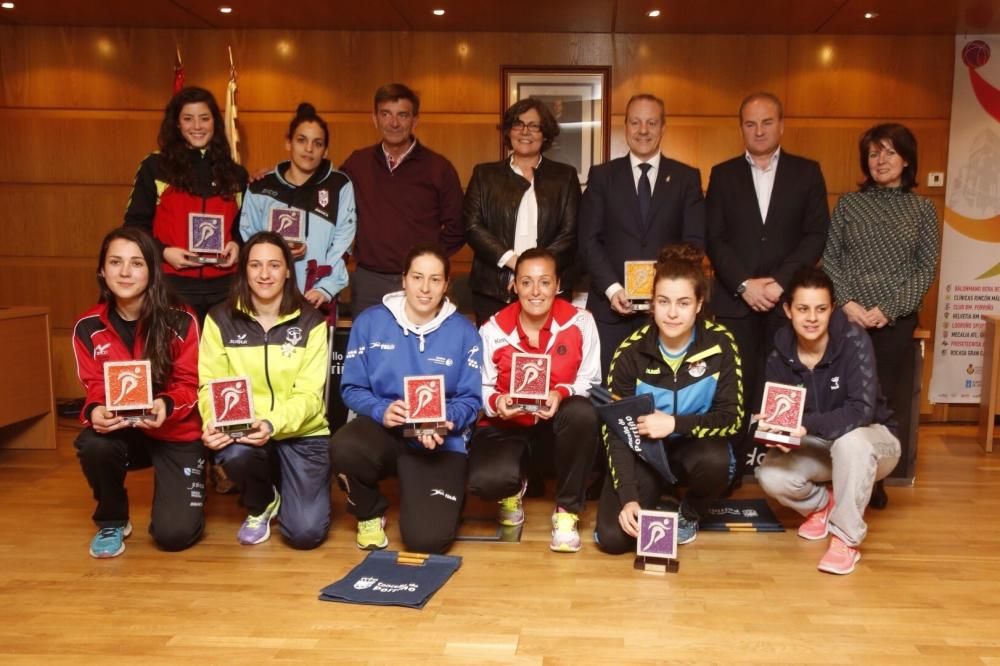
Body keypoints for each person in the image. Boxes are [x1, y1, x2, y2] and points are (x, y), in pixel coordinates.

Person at [705, 91, 829, 483]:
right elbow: (715, 238)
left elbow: (815, 235)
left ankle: (778, 470)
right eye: (750, 123)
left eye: (766, 122)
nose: (758, 130)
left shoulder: (807, 172)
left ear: (781, 124)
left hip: (784, 303)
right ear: (740, 127)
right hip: (734, 301)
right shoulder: (722, 174)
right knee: (734, 387)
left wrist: (779, 283)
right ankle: (733, 468)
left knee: (782, 385)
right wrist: (744, 284)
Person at [330, 244, 482, 554]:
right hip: (385, 432)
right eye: (417, 277)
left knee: (427, 541)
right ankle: (369, 512)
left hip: (438, 441)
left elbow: (471, 400)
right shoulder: (370, 322)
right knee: (344, 445)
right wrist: (381, 409)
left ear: (447, 285)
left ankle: (445, 492)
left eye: (435, 280)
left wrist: (442, 422)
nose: (425, 288)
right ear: (404, 279)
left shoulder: (465, 332)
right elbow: (352, 389)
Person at [595, 244, 743, 552]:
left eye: (683, 302)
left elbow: (731, 419)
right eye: (663, 302)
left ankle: (688, 511)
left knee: (718, 461)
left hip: (694, 448)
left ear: (699, 304)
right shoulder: (630, 351)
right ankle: (655, 496)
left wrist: (674, 423)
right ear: (652, 304)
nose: (673, 313)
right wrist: (629, 498)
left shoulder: (721, 343)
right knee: (613, 540)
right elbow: (616, 432)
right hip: (645, 454)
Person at [755, 267, 900, 575]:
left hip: (874, 444)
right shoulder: (779, 353)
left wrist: (805, 425)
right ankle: (823, 505)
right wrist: (772, 428)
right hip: (822, 447)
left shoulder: (853, 340)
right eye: (803, 309)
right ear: (788, 310)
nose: (812, 318)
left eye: (821, 309)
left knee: (852, 442)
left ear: (832, 308)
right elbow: (784, 421)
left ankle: (845, 539)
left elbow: (862, 412)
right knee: (770, 475)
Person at [822, 123, 940, 499]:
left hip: (894, 321)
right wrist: (849, 303)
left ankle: (875, 479)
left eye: (890, 152)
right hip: (849, 316)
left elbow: (926, 268)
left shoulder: (922, 210)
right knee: (845, 396)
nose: (881, 160)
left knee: (882, 399)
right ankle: (842, 472)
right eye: (874, 153)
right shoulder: (849, 204)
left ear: (907, 159)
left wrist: (888, 309)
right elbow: (831, 259)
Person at [72, 227, 204, 558]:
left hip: (174, 430)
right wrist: (96, 411)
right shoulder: (87, 326)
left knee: (174, 536)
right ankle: (112, 519)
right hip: (123, 431)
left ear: (152, 271)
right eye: (116, 262)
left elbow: (191, 384)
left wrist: (166, 404)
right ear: (102, 270)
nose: (126, 272)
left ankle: (198, 478)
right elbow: (94, 387)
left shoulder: (182, 319)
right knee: (93, 443)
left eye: (137, 263)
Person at [198, 232, 331, 549]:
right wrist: (213, 420)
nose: (264, 274)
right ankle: (261, 501)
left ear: (288, 270)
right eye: (255, 265)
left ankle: (287, 485)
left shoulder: (311, 321)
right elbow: (209, 384)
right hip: (244, 431)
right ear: (244, 269)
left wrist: (271, 424)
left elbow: (311, 396)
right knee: (234, 451)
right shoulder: (220, 318)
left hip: (302, 434)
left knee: (305, 534)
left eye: (274, 265)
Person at [470, 248, 601, 552]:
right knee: (486, 482)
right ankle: (511, 488)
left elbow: (590, 380)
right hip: (507, 425)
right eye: (526, 282)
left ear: (558, 285)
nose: (535, 291)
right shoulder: (492, 329)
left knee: (582, 413)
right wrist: (497, 403)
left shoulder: (581, 322)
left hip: (554, 426)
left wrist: (561, 393)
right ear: (513, 286)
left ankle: (566, 512)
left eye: (544, 282)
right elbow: (482, 386)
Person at [578, 93, 705, 375]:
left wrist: (666, 292)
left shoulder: (686, 178)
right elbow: (588, 240)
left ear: (663, 127)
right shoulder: (602, 176)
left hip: (668, 313)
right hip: (611, 309)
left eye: (651, 122)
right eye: (635, 122)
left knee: (664, 390)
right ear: (626, 127)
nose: (643, 130)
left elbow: (694, 243)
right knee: (611, 395)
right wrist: (612, 289)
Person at [125, 86, 249, 323]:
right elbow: (134, 227)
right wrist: (164, 252)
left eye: (205, 118)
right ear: (177, 124)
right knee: (175, 358)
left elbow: (244, 227)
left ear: (215, 122)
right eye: (188, 119)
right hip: (172, 285)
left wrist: (237, 245)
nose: (197, 126)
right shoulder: (155, 167)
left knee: (220, 359)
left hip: (225, 288)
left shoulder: (236, 174)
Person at [341, 83, 465, 314]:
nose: (394, 123)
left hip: (421, 281)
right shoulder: (357, 164)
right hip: (370, 280)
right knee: (369, 347)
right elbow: (324, 194)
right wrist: (271, 175)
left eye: (402, 115)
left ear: (415, 120)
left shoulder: (439, 168)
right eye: (386, 114)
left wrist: (427, 261)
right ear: (375, 119)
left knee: (423, 348)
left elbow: (458, 227)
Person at [463, 98, 581, 325]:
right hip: (493, 290)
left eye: (534, 126)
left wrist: (535, 276)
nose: (525, 132)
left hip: (549, 291)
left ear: (545, 133)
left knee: (549, 355)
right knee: (495, 357)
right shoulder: (484, 174)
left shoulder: (564, 176)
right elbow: (472, 226)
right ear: (508, 131)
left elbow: (570, 233)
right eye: (518, 124)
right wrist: (516, 263)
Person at [241, 102, 356, 315]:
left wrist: (326, 288)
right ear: (288, 143)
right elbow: (249, 243)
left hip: (317, 296)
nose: (309, 149)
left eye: (317, 143)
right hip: (266, 297)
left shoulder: (339, 186)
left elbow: (342, 244)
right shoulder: (261, 187)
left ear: (326, 150)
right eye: (301, 140)